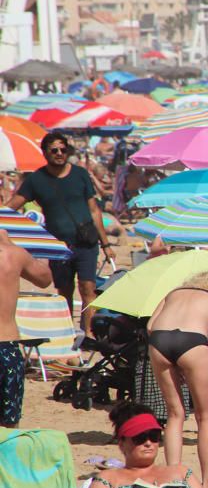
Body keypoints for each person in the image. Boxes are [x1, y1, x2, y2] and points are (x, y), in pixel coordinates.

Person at [7, 133, 115, 336]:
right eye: (54, 150)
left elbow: (94, 210)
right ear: (45, 153)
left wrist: (107, 244)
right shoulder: (36, 180)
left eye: (63, 150)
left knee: (88, 289)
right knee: (64, 291)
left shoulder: (80, 174)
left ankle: (89, 333)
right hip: (58, 247)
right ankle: (67, 333)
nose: (59, 154)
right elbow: (12, 206)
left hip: (86, 241)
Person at [147, 271, 208, 488]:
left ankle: (172, 477)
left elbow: (150, 325)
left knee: (174, 414)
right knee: (205, 417)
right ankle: (207, 483)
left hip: (159, 340)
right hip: (192, 341)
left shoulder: (173, 293)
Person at [0, 230, 52, 428]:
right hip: (7, 345)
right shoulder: (13, 254)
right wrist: (9, 242)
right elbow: (45, 279)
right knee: (9, 425)